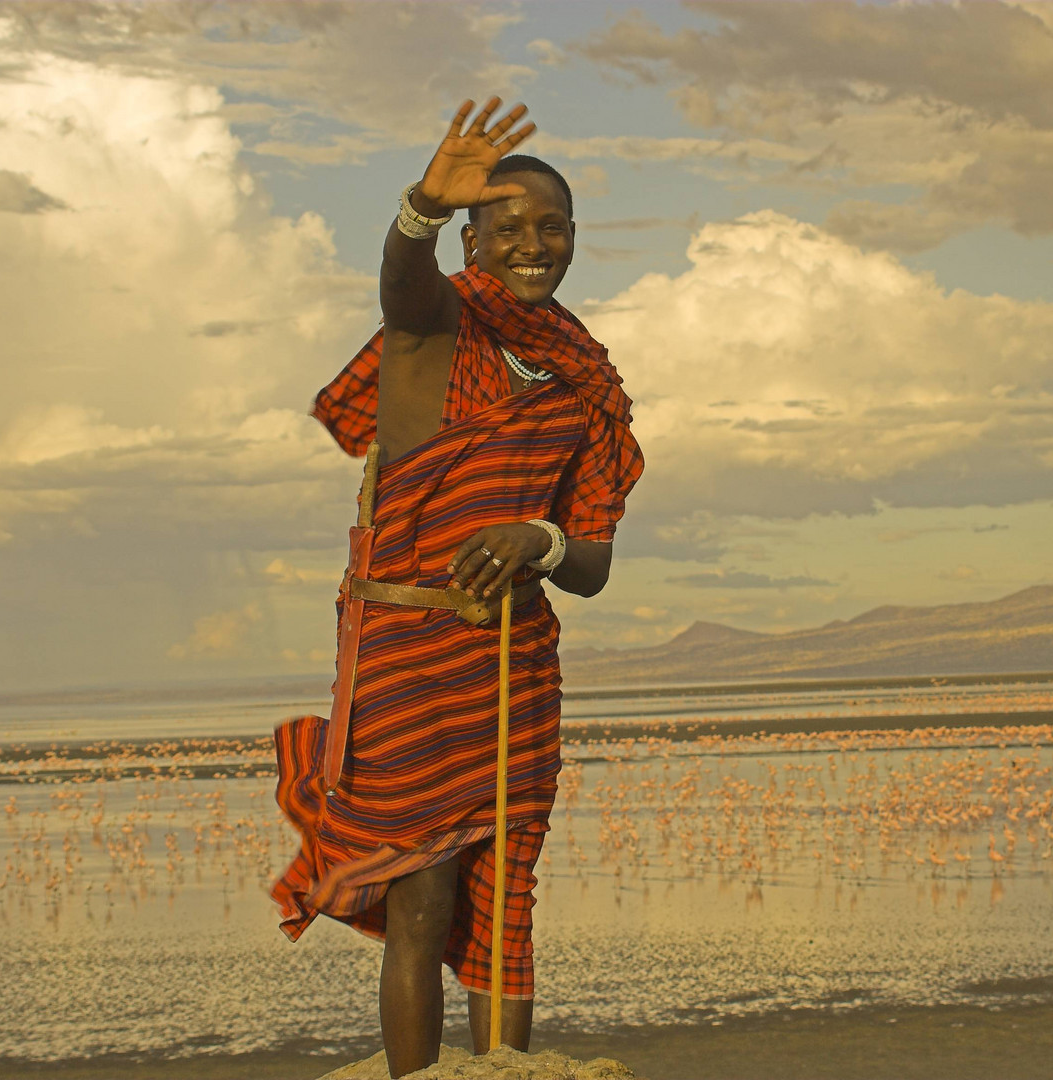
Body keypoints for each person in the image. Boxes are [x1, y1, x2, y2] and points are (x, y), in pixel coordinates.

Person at [270, 96, 643, 1078]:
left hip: (515, 654)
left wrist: (542, 537)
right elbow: (404, 286)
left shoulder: (582, 384)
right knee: (422, 890)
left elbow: (595, 562)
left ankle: (503, 1074)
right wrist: (418, 211)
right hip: (407, 653)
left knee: (507, 893)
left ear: (575, 240)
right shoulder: (439, 330)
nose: (532, 243)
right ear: (473, 240)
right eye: (507, 226)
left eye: (551, 226)